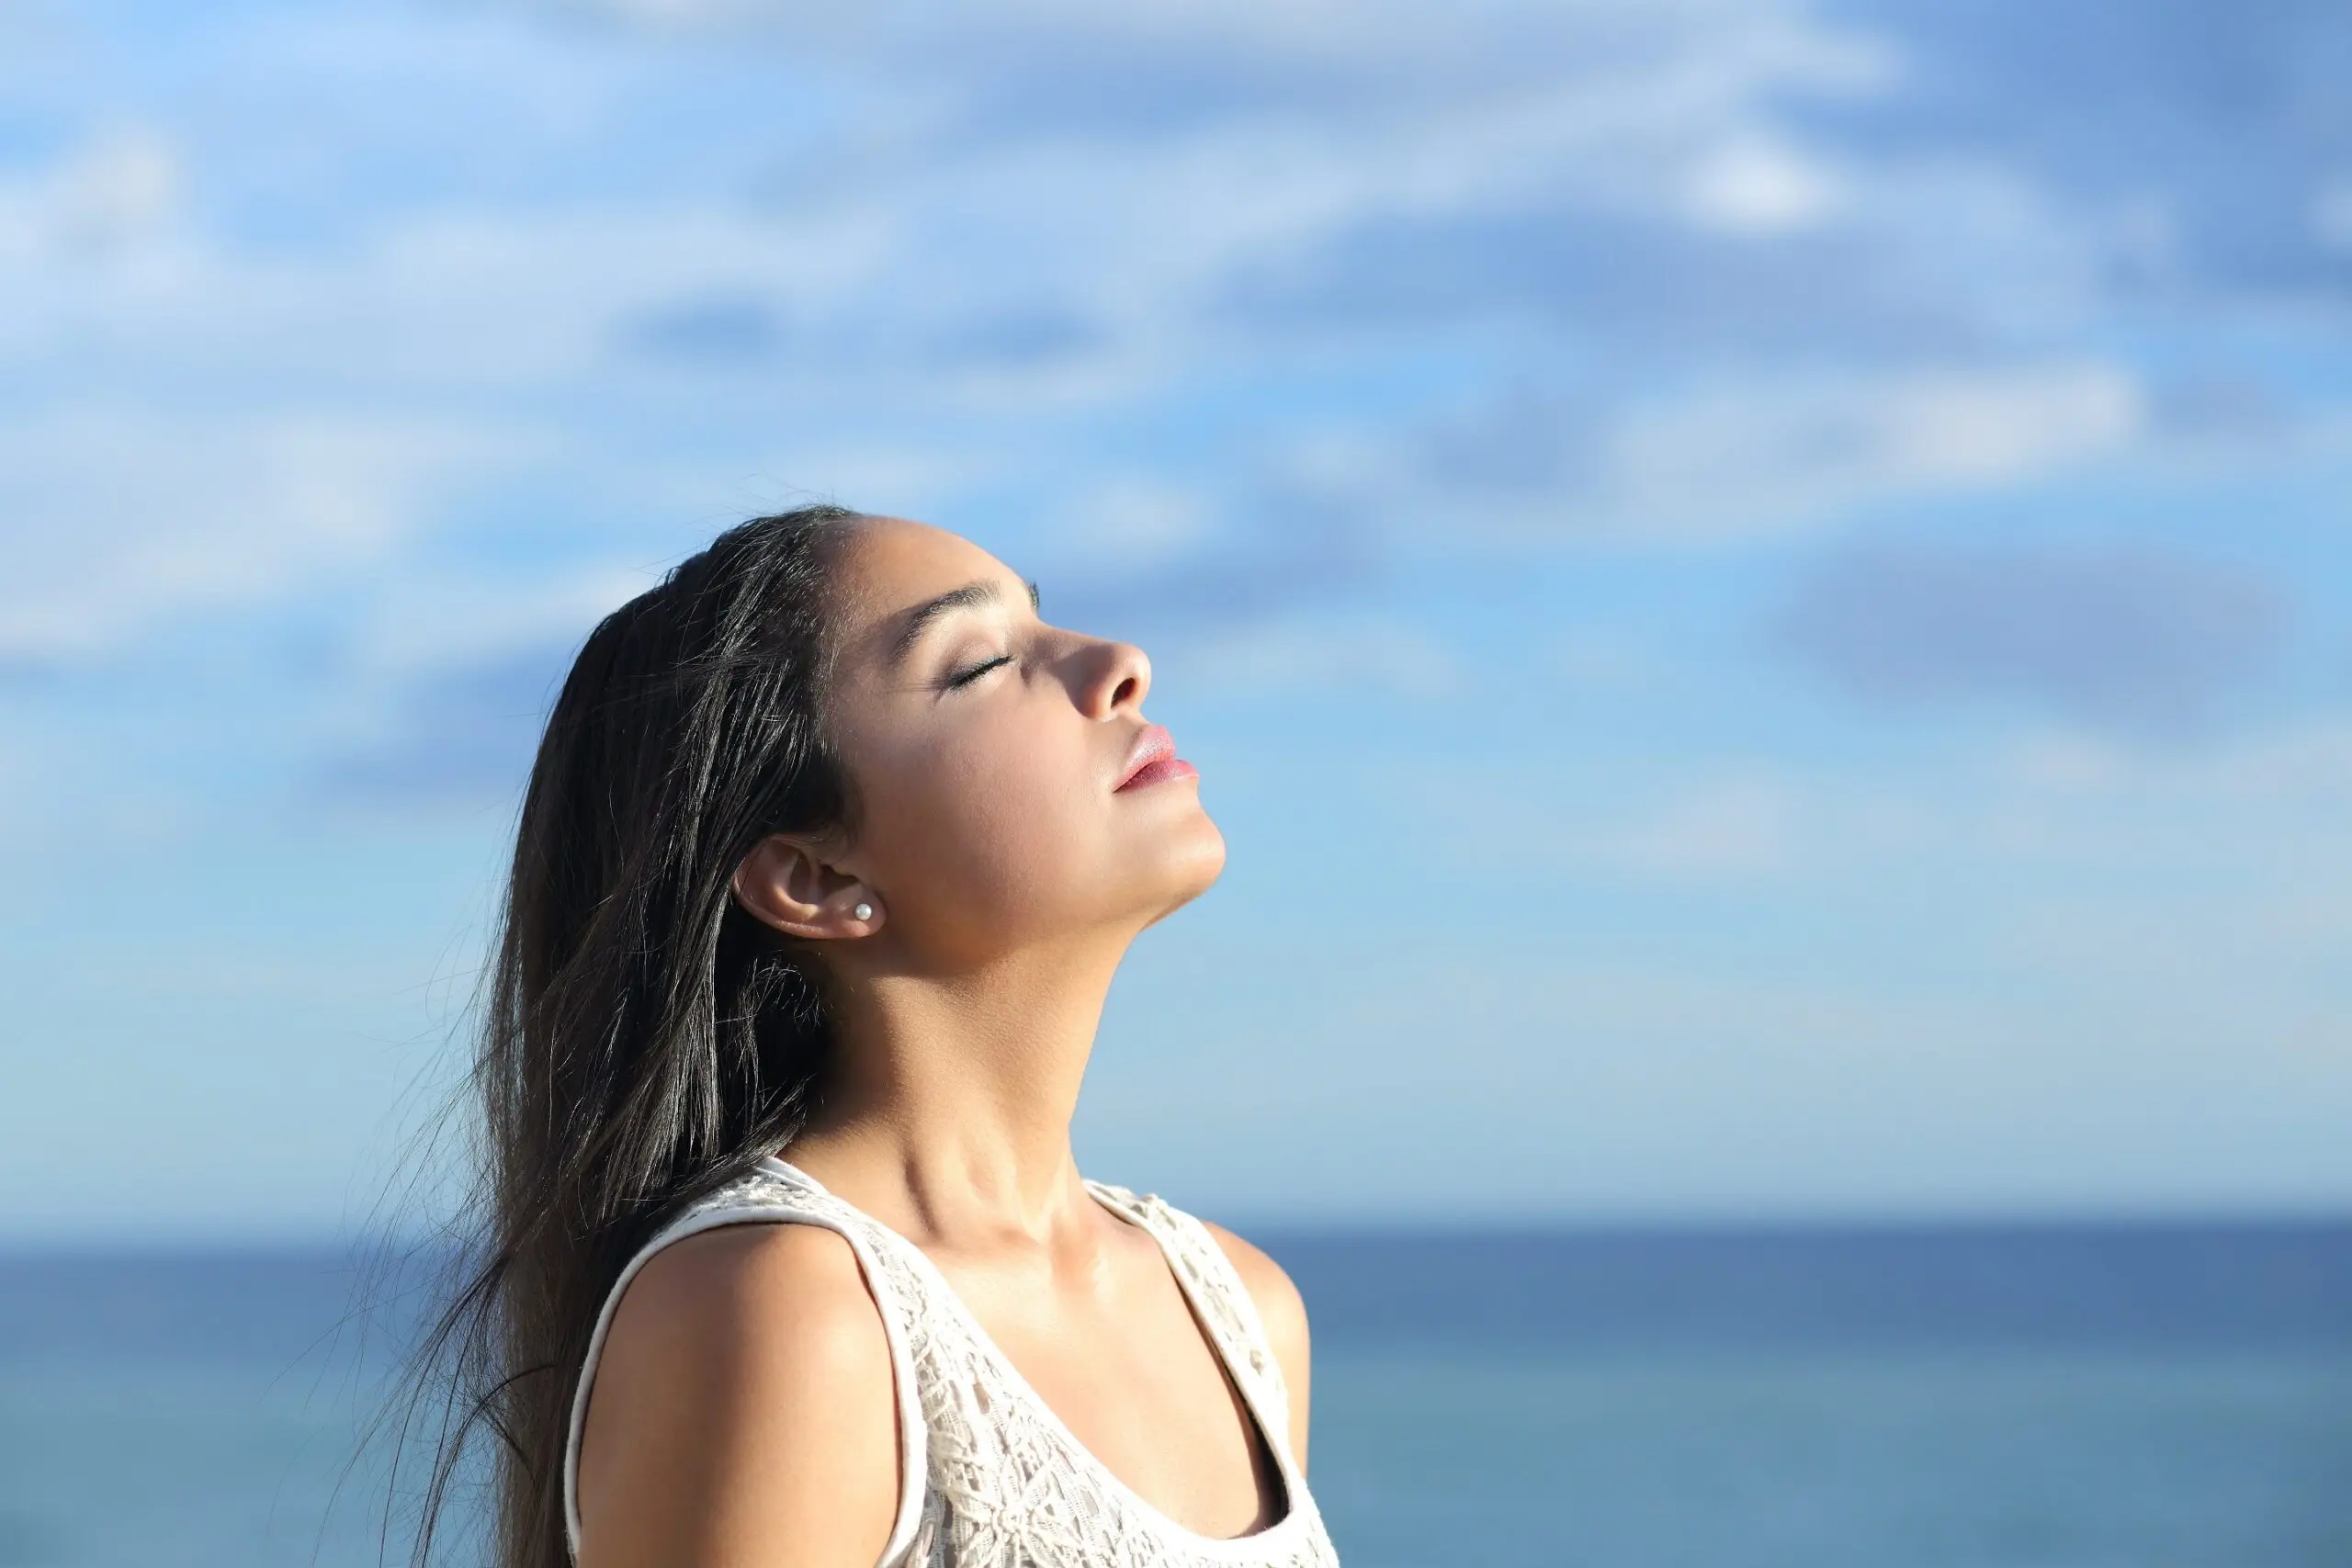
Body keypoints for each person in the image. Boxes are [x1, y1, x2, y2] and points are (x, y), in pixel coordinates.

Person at [402, 505, 1342, 1568]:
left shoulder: (1238, 1312)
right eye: (981, 663)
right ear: (818, 877)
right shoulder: (787, 1314)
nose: (1121, 664)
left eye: (1042, 621)